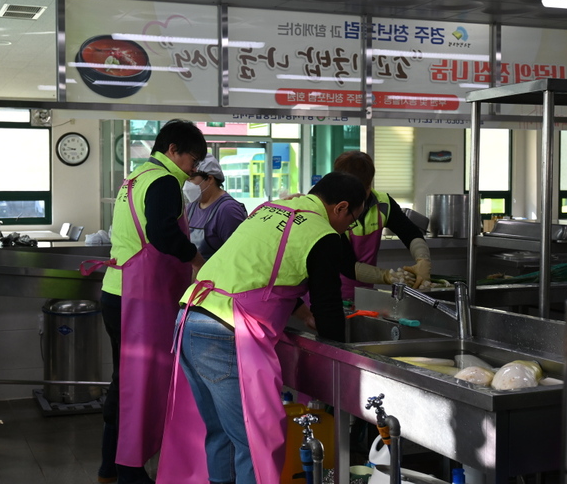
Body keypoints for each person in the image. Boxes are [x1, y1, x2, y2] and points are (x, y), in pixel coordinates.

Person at [156, 171, 367, 484]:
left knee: (221, 434)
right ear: (341, 208)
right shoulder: (322, 234)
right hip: (223, 332)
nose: (347, 229)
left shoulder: (270, 210)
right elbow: (330, 310)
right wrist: (341, 351)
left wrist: (303, 313)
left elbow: (259, 272)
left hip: (190, 318)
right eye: (351, 220)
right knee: (252, 443)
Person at [91, 119, 208, 484]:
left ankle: (111, 465)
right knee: (141, 382)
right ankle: (129, 468)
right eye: (193, 158)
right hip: (141, 295)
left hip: (118, 291)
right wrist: (195, 258)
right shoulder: (163, 182)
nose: (195, 168)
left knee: (124, 380)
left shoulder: (136, 177)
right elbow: (160, 233)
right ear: (173, 150)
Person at [333, 150, 432, 296]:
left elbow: (409, 232)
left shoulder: (383, 203)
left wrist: (423, 259)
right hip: (329, 293)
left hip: (365, 293)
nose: (357, 198)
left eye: (363, 190)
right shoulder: (330, 210)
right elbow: (346, 265)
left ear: (370, 182)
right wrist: (388, 276)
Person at [183, 154, 247, 260]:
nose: (186, 184)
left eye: (191, 179)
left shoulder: (228, 210)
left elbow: (237, 255)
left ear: (210, 179)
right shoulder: (192, 206)